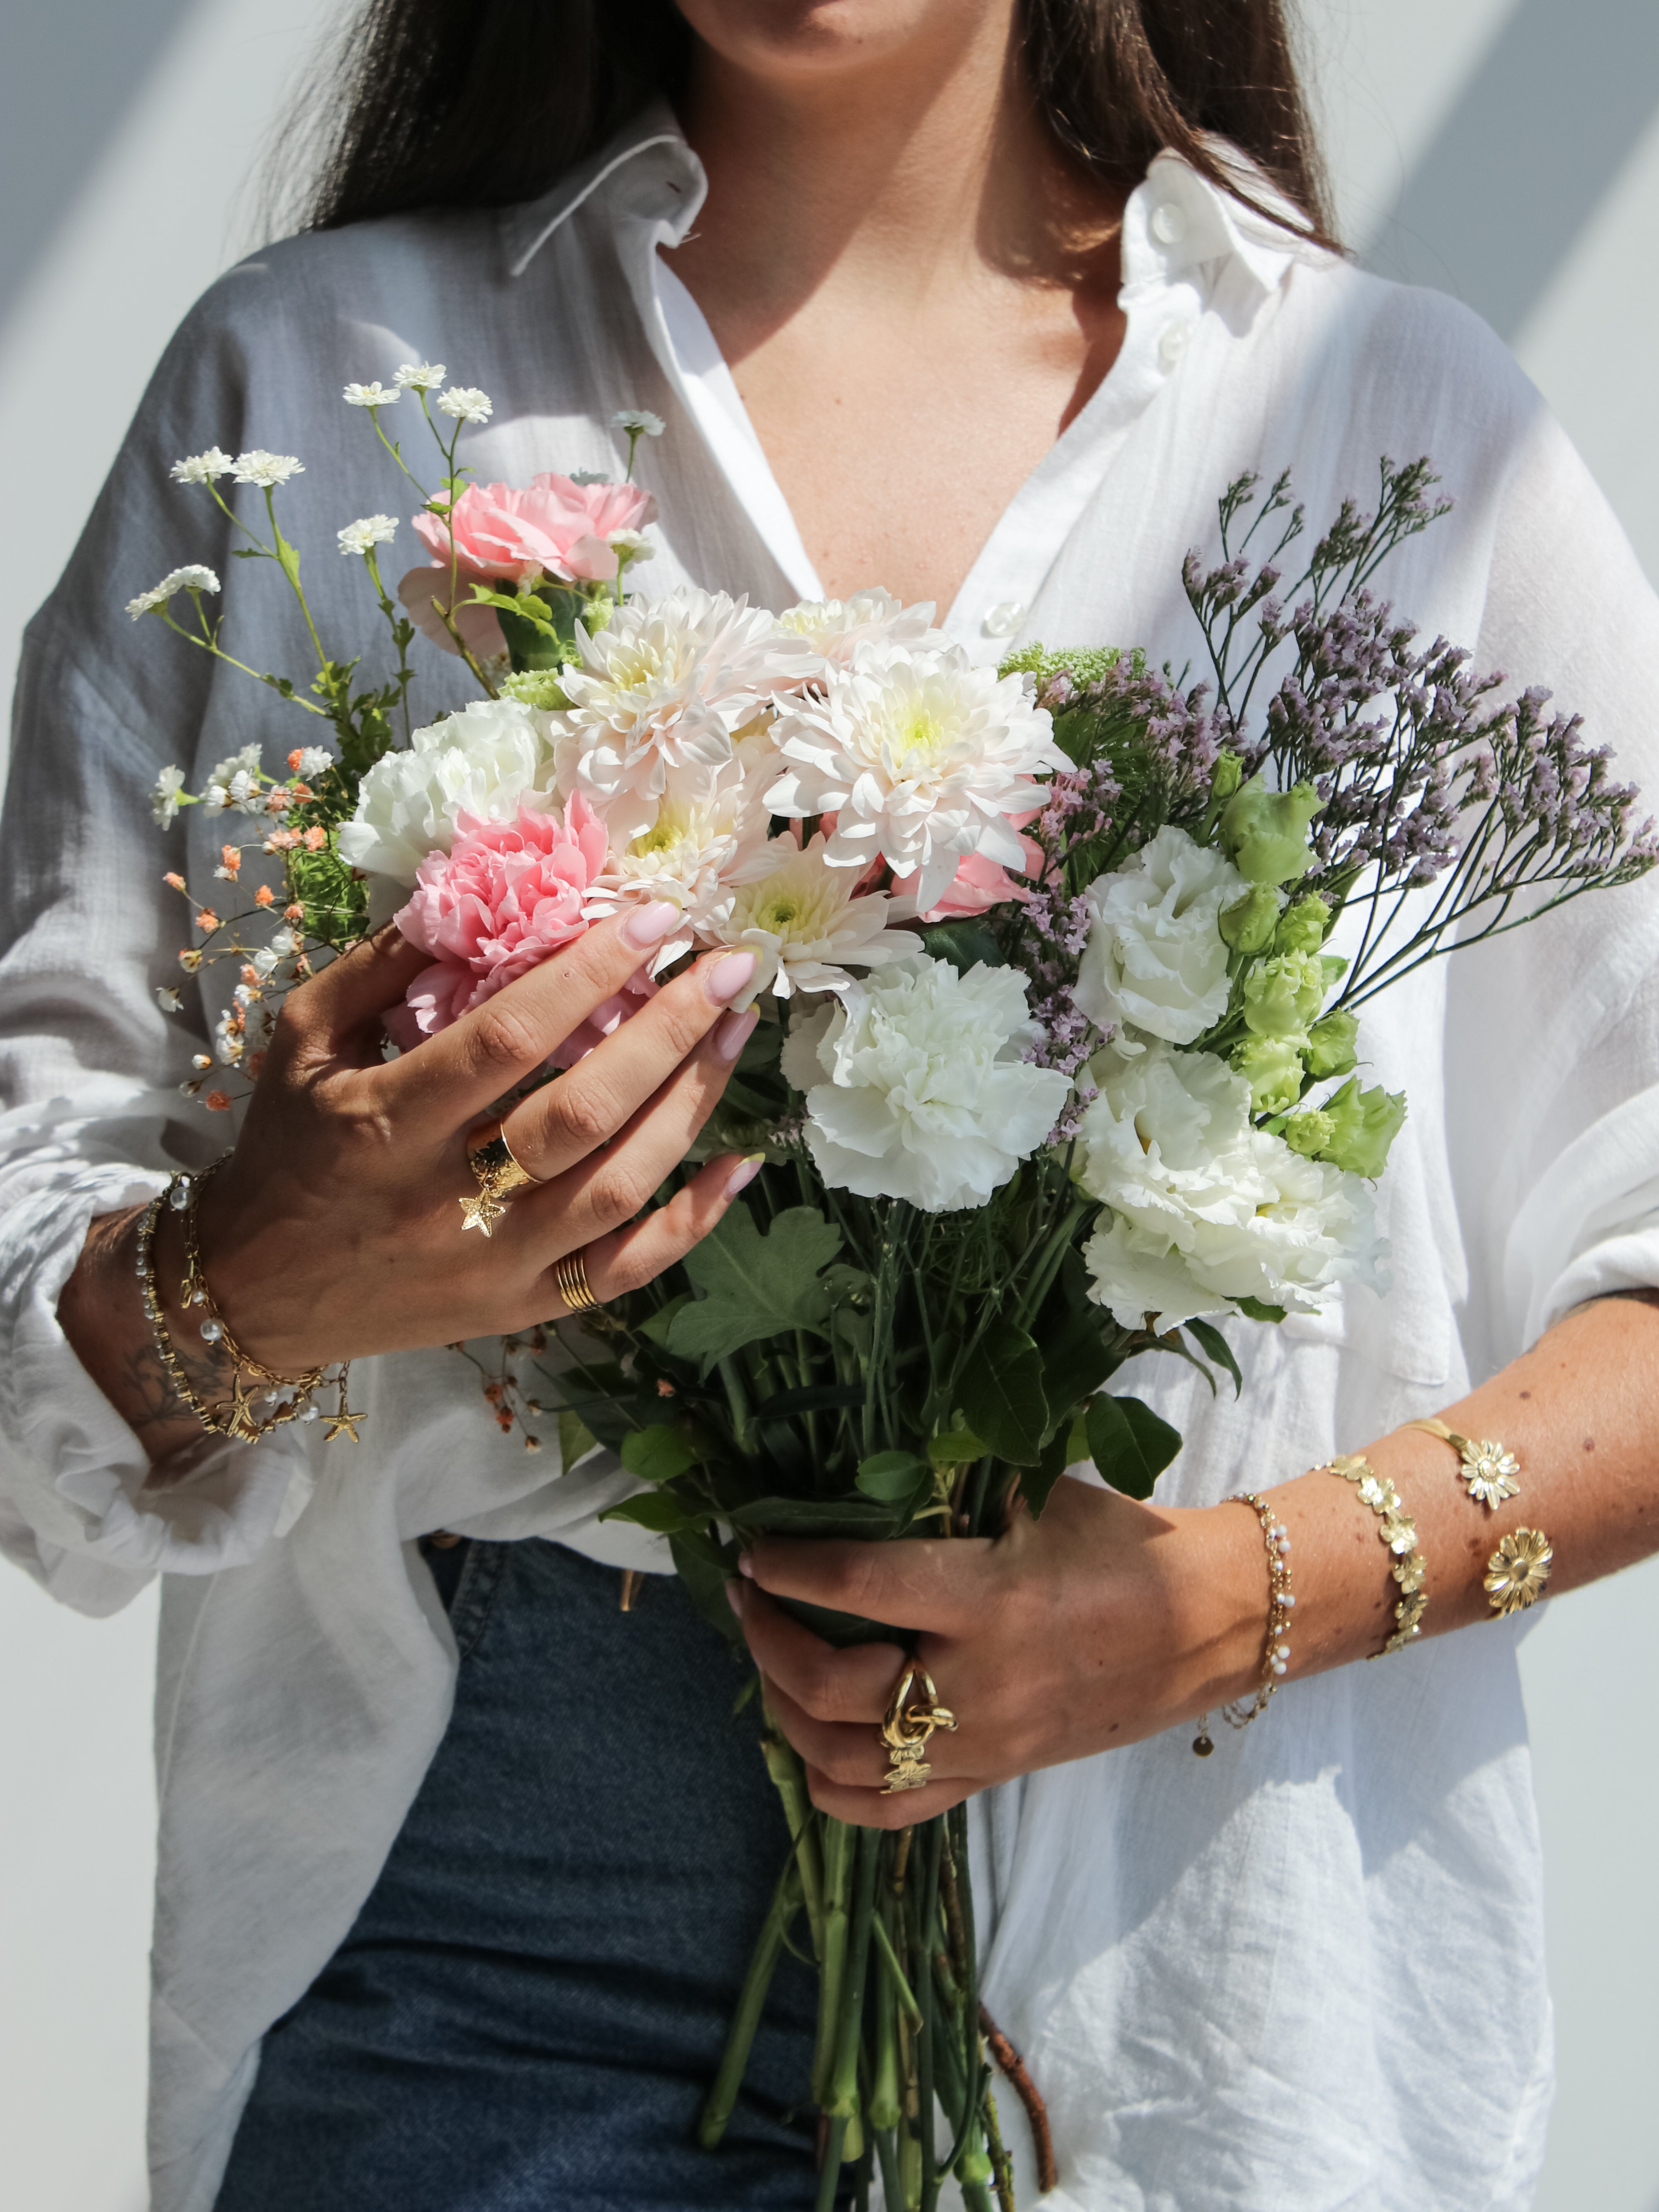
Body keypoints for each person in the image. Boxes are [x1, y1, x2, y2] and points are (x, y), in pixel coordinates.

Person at [5, 0, 1659, 2206]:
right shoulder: (306, 387)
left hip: (1206, 1970)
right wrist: (249, 1281)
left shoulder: (1392, 429)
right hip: (488, 1946)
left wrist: (1214, 1597)